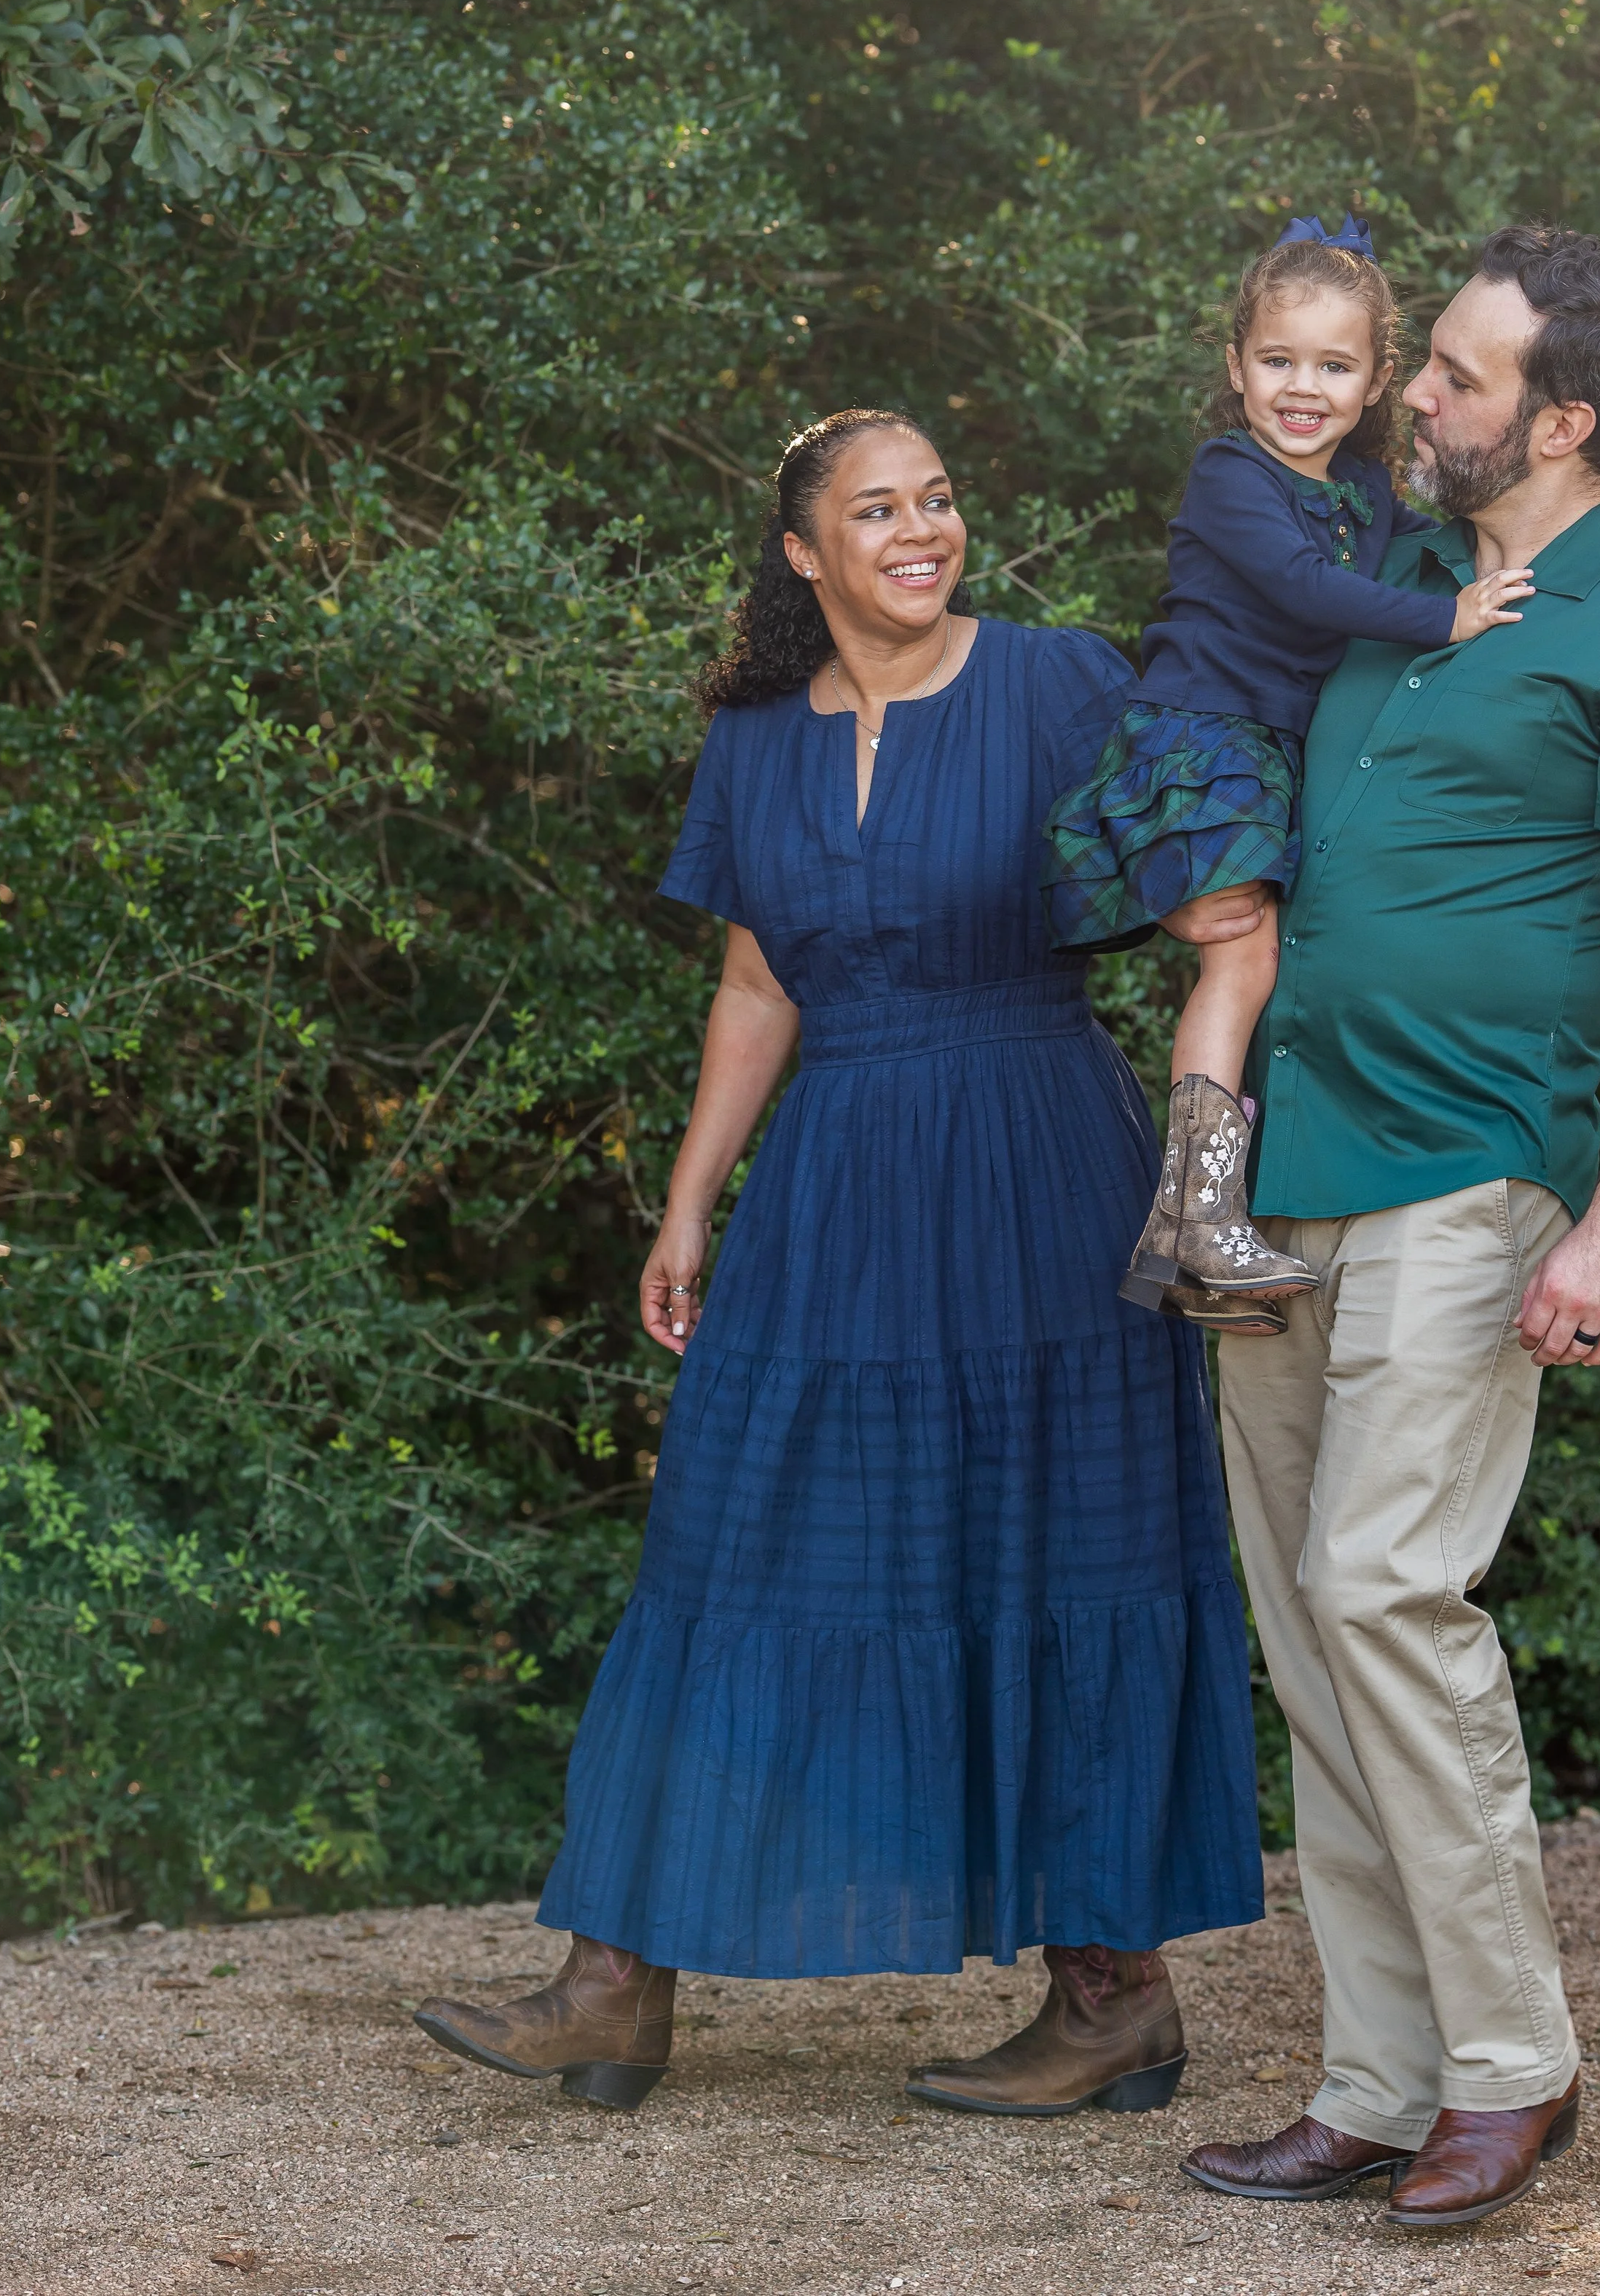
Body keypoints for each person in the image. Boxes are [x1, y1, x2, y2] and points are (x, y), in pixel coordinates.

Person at [412, 408, 1264, 2115]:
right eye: (876, 510)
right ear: (803, 553)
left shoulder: (1057, 682)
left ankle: (1110, 1997)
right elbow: (755, 980)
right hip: (833, 1183)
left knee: (1050, 1553)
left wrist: (1203, 1136)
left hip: (1038, 1164)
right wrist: (684, 1199)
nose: (920, 529)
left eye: (939, 498)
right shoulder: (752, 740)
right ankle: (609, 1983)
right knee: (729, 1543)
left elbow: (1220, 908)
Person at [1180, 227, 1600, 2229]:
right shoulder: (1391, 592)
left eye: (1456, 376)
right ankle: (1379, 2073)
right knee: (1314, 1629)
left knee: (1389, 1587)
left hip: (1472, 1171)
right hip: (1287, 1168)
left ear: (1557, 420)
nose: (1412, 393)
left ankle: (1511, 2067)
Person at [1044, 215, 1532, 1320]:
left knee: (1258, 961)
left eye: (1333, 364)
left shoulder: (1364, 486)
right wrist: (1444, 618)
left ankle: (1191, 1229)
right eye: (1277, 360)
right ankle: (1199, 1216)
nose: (1301, 386)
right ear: (1236, 367)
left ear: (1374, 381)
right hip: (1203, 734)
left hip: (1273, 752)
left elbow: (1420, 534)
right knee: (1242, 960)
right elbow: (1310, 591)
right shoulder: (1231, 473)